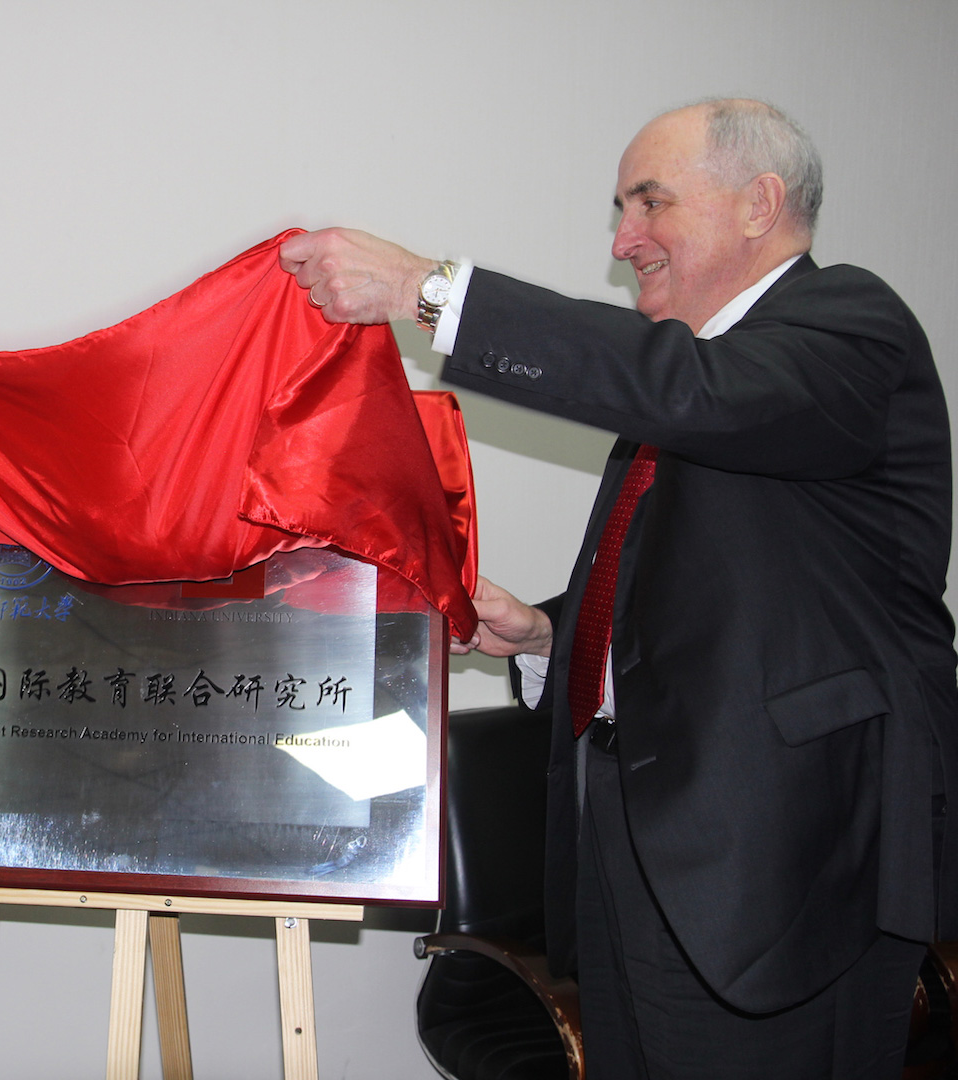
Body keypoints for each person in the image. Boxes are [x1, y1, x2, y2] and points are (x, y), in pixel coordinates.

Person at [281, 99, 957, 1078]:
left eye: (650, 202)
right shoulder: (693, 386)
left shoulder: (850, 325)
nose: (622, 238)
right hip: (639, 857)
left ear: (761, 203)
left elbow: (691, 395)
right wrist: (548, 635)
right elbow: (717, 592)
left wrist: (424, 289)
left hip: (784, 871)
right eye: (619, 208)